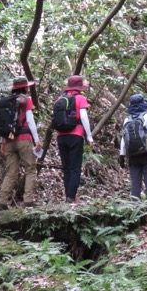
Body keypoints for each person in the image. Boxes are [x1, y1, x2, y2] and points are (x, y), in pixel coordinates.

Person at [0, 76, 42, 209]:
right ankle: (28, 201)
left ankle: (2, 202)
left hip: (9, 140)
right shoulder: (26, 100)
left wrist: (3, 142)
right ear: (25, 87)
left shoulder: (6, 102)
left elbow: (5, 124)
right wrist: (36, 140)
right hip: (24, 139)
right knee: (30, 169)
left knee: (11, 172)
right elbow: (30, 120)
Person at [56, 75, 94, 203]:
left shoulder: (60, 98)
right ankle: (71, 197)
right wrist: (89, 136)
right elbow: (83, 117)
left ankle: (69, 195)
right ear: (80, 87)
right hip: (76, 135)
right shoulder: (81, 98)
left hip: (61, 136)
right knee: (75, 167)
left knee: (66, 167)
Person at [118, 93, 147, 200]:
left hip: (133, 155)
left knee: (135, 181)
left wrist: (122, 155)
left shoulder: (127, 119)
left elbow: (124, 140)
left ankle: (135, 204)